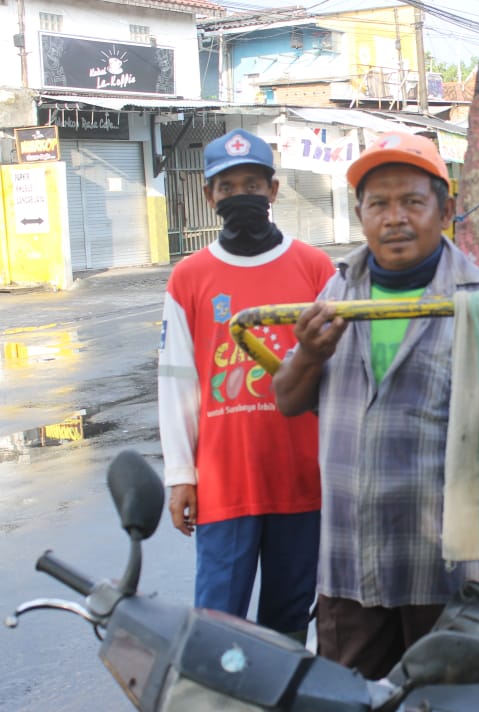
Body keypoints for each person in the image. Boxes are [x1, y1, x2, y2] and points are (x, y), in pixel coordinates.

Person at [272, 131, 479, 679]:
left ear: (445, 210)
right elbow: (287, 399)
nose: (394, 218)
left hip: (450, 570)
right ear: (360, 215)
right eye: (378, 203)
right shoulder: (335, 295)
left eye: (412, 202)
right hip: (351, 564)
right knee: (348, 698)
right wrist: (308, 354)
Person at [158, 128, 335, 641]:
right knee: (217, 628)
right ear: (209, 195)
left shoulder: (315, 268)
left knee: (287, 625)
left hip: (303, 480)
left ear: (273, 191)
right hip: (224, 481)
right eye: (228, 188)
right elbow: (177, 382)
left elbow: (340, 371)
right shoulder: (189, 277)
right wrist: (180, 474)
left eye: (252, 185)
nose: (241, 197)